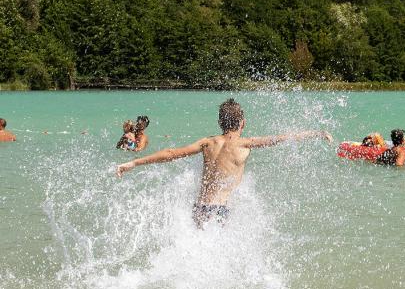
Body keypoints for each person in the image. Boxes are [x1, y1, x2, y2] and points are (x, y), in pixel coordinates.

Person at [117, 97, 332, 227]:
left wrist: (133, 163)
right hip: (219, 211)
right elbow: (282, 138)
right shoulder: (245, 144)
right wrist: (317, 133)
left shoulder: (207, 142)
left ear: (220, 122)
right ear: (242, 123)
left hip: (199, 209)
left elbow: (171, 153)